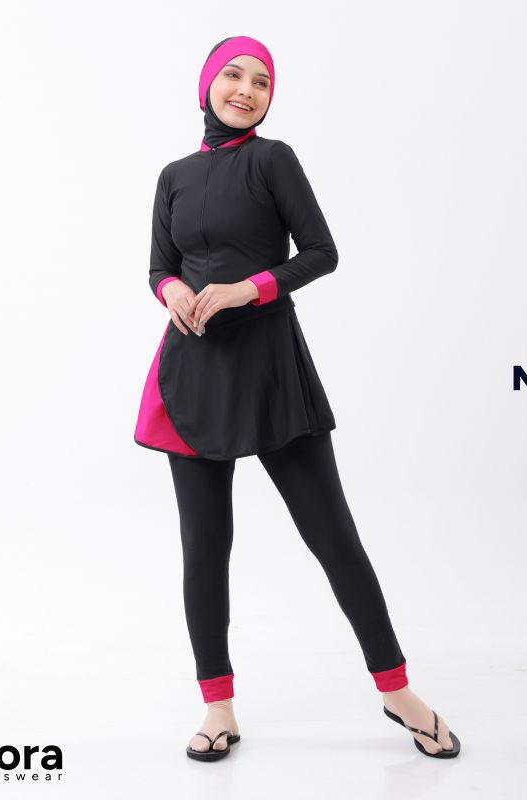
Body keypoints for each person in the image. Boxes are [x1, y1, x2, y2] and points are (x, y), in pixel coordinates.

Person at [134, 35, 461, 761]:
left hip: (272, 371)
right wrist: (175, 289)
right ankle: (218, 707)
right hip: (192, 375)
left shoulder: (272, 159)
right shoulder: (174, 176)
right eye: (233, 76)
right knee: (204, 550)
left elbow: (320, 252)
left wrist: (247, 289)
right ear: (206, 85)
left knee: (333, 537)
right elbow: (158, 266)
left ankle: (397, 691)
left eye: (261, 82)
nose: (246, 90)